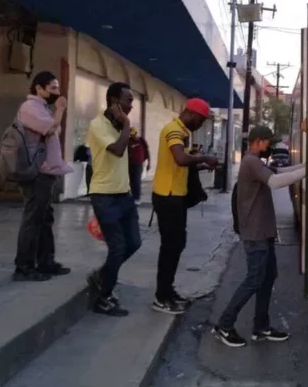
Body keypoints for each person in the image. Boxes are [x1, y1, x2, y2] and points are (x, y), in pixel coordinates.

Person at [212, 125, 306, 348]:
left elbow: (277, 173)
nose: (269, 146)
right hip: (255, 233)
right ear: (257, 141)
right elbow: (276, 182)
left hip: (263, 231)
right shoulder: (250, 161)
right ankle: (224, 325)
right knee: (254, 279)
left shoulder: (256, 162)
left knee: (267, 277)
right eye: (267, 142)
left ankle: (261, 327)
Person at [151, 98, 218, 314]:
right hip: (167, 196)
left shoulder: (182, 132)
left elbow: (180, 166)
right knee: (171, 246)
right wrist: (204, 157)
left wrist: (200, 166)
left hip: (175, 196)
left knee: (176, 245)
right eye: (199, 121)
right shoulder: (174, 131)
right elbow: (180, 159)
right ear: (188, 113)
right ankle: (161, 297)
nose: (199, 125)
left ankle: (167, 290)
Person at [85, 82, 142, 316]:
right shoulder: (97, 125)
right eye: (128, 100)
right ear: (113, 101)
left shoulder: (118, 124)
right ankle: (103, 297)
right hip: (104, 195)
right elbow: (117, 150)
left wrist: (125, 126)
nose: (131, 105)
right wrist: (127, 125)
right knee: (117, 247)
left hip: (123, 194)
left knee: (134, 243)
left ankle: (101, 276)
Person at [13, 71, 73, 282]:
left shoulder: (43, 108)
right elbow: (49, 130)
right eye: (53, 87)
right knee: (33, 220)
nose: (57, 91)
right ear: (39, 88)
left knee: (45, 219)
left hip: (46, 172)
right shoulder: (29, 107)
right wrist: (60, 109)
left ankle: (46, 261)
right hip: (36, 172)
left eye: (57, 87)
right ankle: (24, 267)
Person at [127, 127, 150, 204]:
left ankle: (137, 197)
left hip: (138, 164)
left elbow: (147, 151)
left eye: (134, 134)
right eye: (131, 135)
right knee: (131, 181)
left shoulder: (141, 141)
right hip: (130, 164)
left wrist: (148, 163)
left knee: (137, 180)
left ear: (136, 133)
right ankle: (133, 196)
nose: (133, 136)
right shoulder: (129, 141)